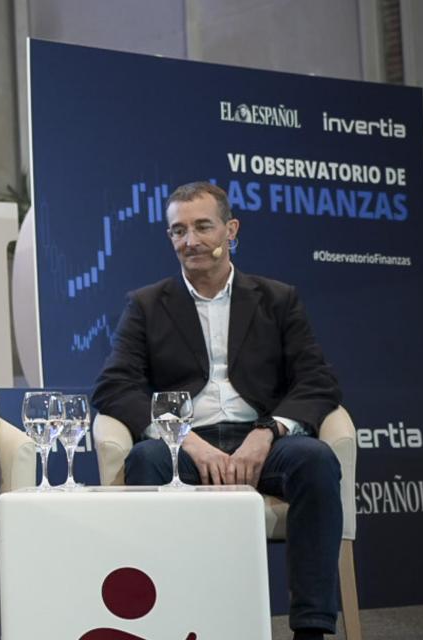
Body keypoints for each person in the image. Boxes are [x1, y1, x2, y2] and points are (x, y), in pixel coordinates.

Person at [92, 181, 342, 640]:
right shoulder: (146, 305)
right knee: (146, 460)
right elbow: (114, 386)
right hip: (187, 444)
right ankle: (165, 621)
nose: (190, 240)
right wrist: (184, 438)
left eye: (203, 227)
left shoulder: (277, 298)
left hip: (261, 440)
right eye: (178, 230)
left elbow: (317, 380)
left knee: (316, 460)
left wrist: (267, 432)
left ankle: (311, 627)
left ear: (231, 229)